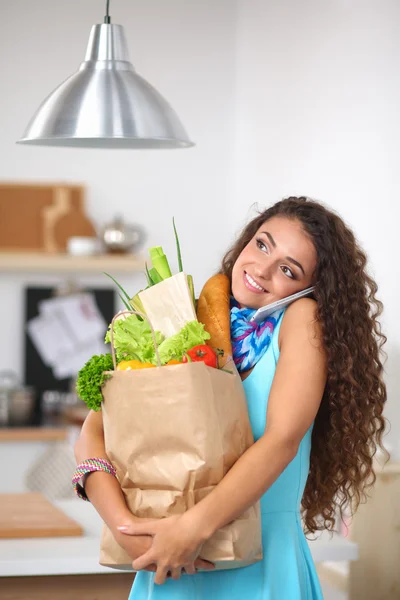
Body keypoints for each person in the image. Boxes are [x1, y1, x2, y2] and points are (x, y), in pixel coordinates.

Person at [74, 196, 388, 599]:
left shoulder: (301, 320)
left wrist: (192, 529)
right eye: (262, 244)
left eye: (288, 270)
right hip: (167, 561)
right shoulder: (186, 323)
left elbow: (282, 441)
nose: (261, 268)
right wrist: (127, 532)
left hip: (259, 566)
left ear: (310, 288)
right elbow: (92, 434)